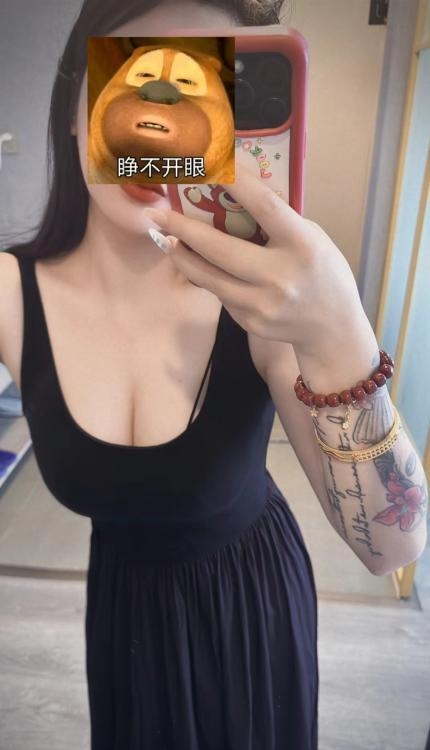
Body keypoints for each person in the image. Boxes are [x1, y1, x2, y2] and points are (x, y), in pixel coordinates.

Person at [0, 0, 427, 748]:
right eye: (133, 82)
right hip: (124, 621)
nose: (161, 133)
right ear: (73, 109)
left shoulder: (260, 302)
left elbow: (389, 550)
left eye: (203, 97)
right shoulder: (10, 292)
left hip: (251, 612)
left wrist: (338, 332)